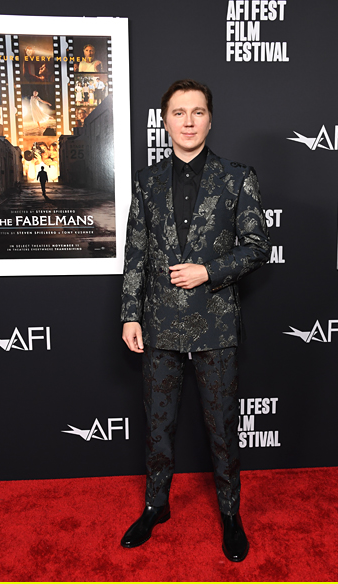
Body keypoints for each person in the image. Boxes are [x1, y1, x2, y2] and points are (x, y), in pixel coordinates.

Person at [120, 79, 271, 562]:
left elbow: (257, 247)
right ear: (165, 121)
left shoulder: (237, 177)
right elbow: (136, 256)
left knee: (222, 426)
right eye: (179, 112)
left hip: (215, 322)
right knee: (157, 426)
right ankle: (155, 506)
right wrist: (129, 315)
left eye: (197, 111)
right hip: (159, 322)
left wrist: (210, 270)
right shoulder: (145, 182)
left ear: (210, 118)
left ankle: (230, 513)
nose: (188, 120)